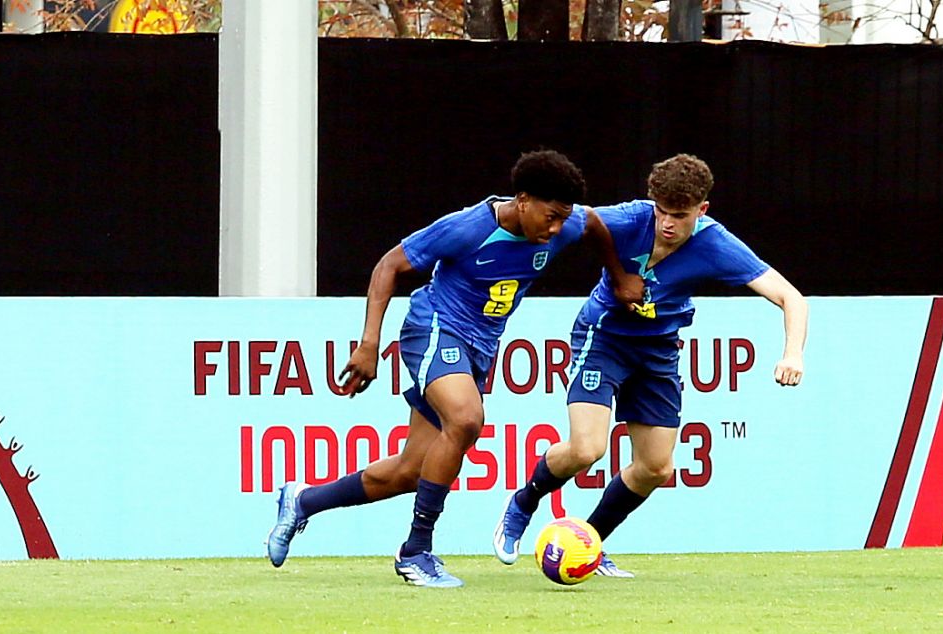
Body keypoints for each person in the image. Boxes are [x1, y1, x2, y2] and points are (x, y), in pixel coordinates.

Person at [266, 149, 643, 588]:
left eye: (562, 218)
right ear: (522, 200)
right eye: (550, 216)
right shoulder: (469, 227)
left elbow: (593, 223)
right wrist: (369, 344)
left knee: (410, 471)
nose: (557, 228)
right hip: (434, 330)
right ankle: (415, 552)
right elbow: (390, 265)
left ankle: (303, 500)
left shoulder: (564, 225)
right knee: (466, 419)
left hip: (479, 348)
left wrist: (618, 276)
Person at [493, 153, 808, 577]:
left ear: (702, 210)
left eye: (679, 215)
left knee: (657, 467)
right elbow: (566, 221)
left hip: (658, 353)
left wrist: (793, 353)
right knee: (587, 448)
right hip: (603, 338)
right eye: (661, 212)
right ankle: (523, 503)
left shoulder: (716, 244)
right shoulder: (629, 219)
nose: (667, 224)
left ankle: (589, 541)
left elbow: (791, 297)